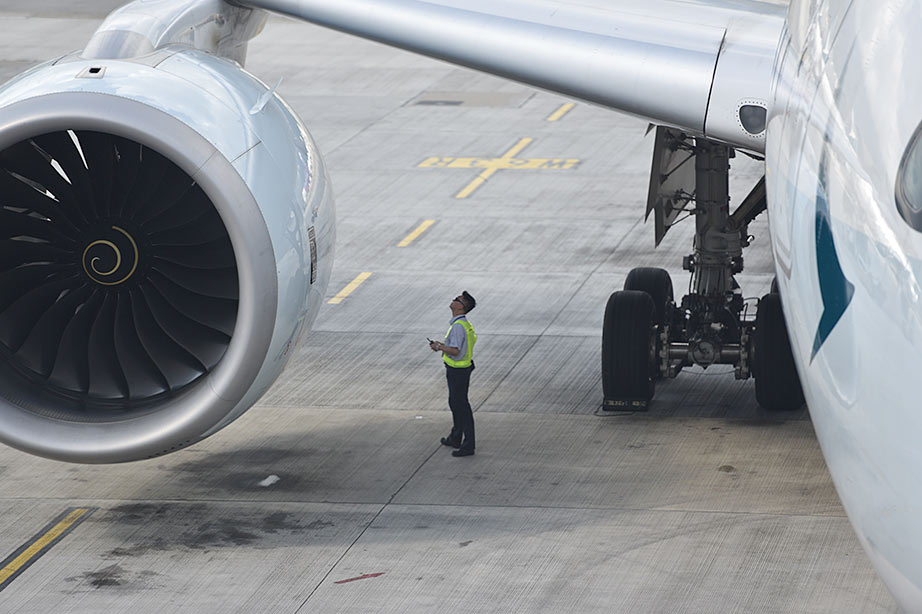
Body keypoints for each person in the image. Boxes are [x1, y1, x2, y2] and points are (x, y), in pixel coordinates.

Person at [430, 291, 477, 457]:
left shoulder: (458, 327)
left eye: (457, 299)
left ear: (461, 307)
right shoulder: (463, 324)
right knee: (455, 403)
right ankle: (456, 436)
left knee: (461, 406)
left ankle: (468, 444)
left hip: (458, 370)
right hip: (461, 369)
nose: (453, 300)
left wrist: (439, 347)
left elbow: (456, 351)